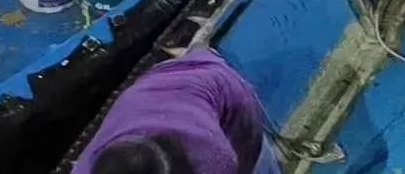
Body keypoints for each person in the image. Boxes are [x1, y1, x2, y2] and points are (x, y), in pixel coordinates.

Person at [71, 48, 281, 174]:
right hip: (155, 89)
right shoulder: (83, 168)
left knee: (254, 164)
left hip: (220, 87)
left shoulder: (212, 156)